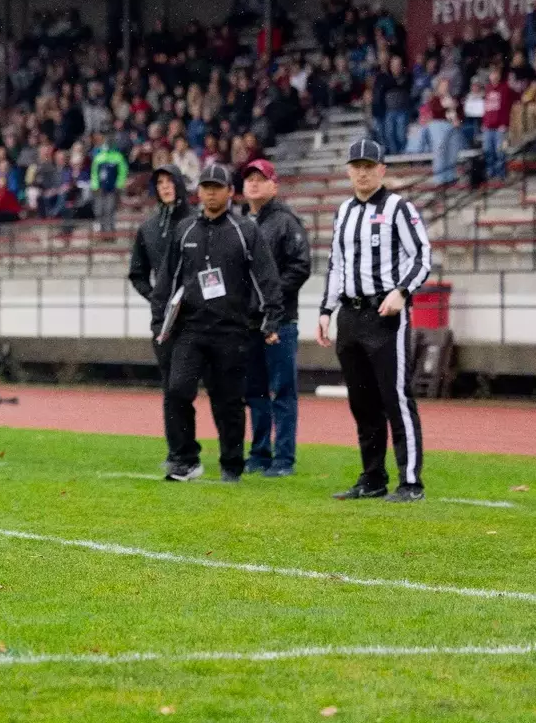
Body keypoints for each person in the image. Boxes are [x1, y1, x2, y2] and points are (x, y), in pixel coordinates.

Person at [317, 138, 432, 503]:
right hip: (350, 315)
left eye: (370, 166)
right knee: (361, 401)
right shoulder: (343, 212)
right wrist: (325, 310)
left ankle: (410, 481)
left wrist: (402, 292)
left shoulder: (399, 207)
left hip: (385, 315)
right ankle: (372, 477)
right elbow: (336, 264)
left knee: (395, 397)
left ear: (382, 170)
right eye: (357, 166)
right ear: (349, 170)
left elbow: (422, 256)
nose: (363, 172)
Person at [156, 163, 283, 482]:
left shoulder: (245, 230)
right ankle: (185, 458)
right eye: (205, 187)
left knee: (228, 401)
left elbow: (265, 277)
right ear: (198, 192)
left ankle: (231, 464)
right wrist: (161, 323)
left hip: (231, 330)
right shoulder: (184, 230)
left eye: (217, 186)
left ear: (230, 192)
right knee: (177, 390)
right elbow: (168, 280)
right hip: (190, 329)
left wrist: (270, 319)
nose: (211, 192)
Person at [239, 160, 311, 477]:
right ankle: (258, 454)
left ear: (274, 185)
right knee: (254, 390)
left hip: (280, 320)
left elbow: (300, 266)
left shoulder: (286, 222)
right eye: (249, 179)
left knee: (282, 390)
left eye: (260, 179)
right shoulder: (240, 224)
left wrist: (270, 297)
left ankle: (284, 458)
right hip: (249, 321)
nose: (253, 184)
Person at [127, 165, 188, 387]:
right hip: (163, 320)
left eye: (170, 181)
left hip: (198, 318)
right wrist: (156, 297)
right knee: (172, 387)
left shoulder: (197, 221)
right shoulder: (148, 228)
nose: (165, 187)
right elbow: (137, 273)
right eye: (160, 183)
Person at [89, 133, 129, 234]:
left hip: (112, 188)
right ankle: (101, 230)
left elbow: (122, 172)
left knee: (110, 209)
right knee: (99, 209)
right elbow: (94, 173)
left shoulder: (118, 157)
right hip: (100, 188)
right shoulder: (98, 157)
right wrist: (95, 186)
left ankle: (110, 230)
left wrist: (119, 185)